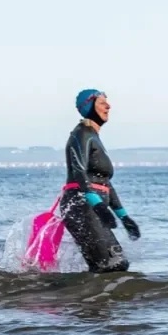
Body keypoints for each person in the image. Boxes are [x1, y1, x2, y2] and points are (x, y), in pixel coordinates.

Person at [61, 89, 140, 273]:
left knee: (114, 264)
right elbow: (79, 171)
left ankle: (88, 299)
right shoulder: (81, 134)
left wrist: (124, 216)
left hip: (92, 206)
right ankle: (87, 300)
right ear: (89, 107)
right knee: (112, 264)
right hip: (81, 206)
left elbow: (104, 182)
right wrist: (97, 205)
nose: (108, 106)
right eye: (102, 103)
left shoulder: (94, 136)